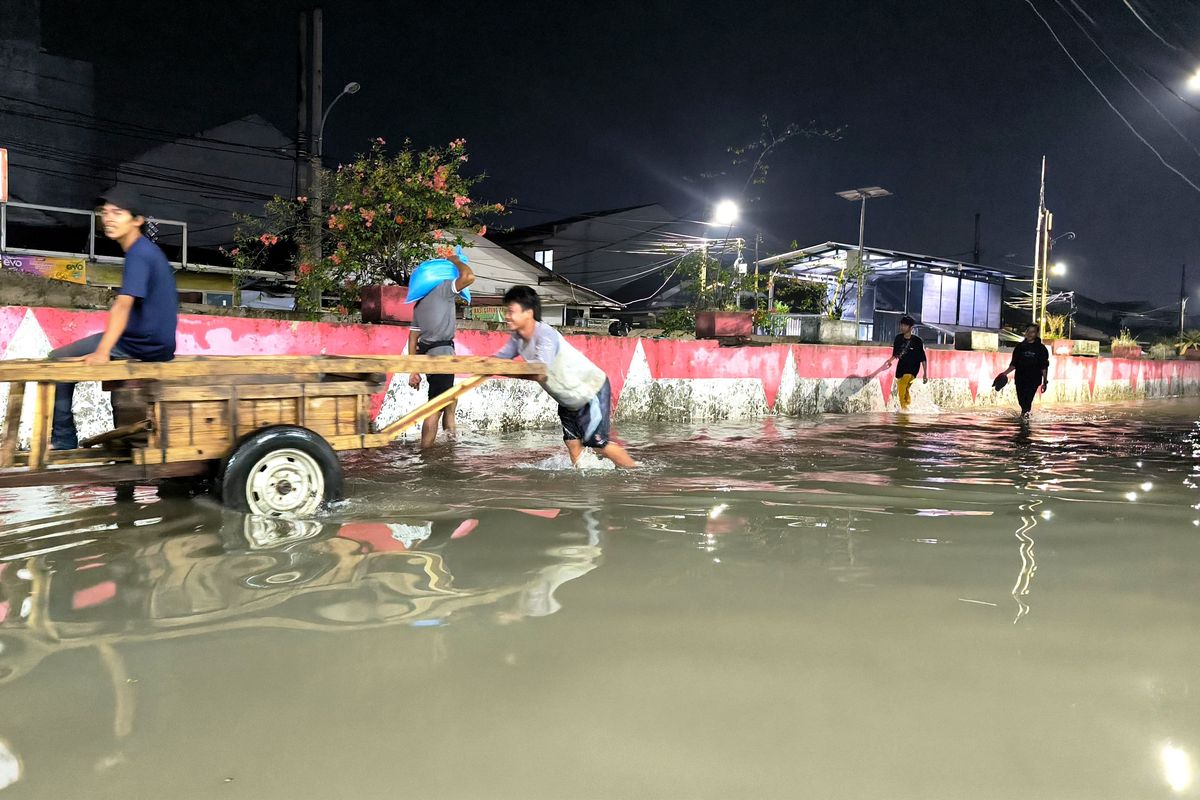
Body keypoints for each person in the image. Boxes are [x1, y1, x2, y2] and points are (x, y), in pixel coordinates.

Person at [49, 186, 177, 450]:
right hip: (154, 342)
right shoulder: (145, 251)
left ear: (137, 220)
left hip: (141, 343)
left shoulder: (140, 253)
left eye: (117, 213)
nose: (108, 218)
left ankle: (62, 441)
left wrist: (103, 351)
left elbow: (122, 304)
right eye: (104, 213)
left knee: (57, 359)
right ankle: (114, 441)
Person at [493, 285, 636, 468]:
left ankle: (636, 475)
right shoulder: (517, 337)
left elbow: (539, 370)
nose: (507, 316)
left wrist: (502, 370)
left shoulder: (545, 334)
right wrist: (479, 365)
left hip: (590, 391)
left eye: (511, 311)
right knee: (572, 442)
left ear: (528, 313)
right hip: (568, 398)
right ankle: (583, 484)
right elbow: (498, 359)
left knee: (598, 444)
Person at [407, 253, 475, 448]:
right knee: (435, 405)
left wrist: (414, 370)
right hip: (442, 356)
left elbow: (413, 338)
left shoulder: (419, 304)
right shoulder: (443, 288)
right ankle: (426, 452)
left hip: (429, 356)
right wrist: (455, 261)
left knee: (451, 400)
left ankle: (450, 444)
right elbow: (469, 277)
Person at [1000, 324, 1050, 416]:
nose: (1030, 334)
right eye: (1028, 331)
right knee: (1021, 400)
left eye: (1033, 332)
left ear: (1036, 333)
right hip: (1020, 378)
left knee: (1028, 400)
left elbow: (1044, 366)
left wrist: (1045, 381)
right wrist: (1004, 374)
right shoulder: (1020, 347)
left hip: (1034, 379)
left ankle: (1025, 420)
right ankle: (1025, 417)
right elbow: (1014, 364)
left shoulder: (1041, 349)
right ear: (1026, 332)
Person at [881, 315, 927, 410]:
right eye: (901, 325)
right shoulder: (898, 338)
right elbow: (896, 353)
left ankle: (904, 409)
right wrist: (890, 361)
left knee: (902, 384)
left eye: (905, 325)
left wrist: (925, 374)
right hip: (901, 367)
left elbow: (923, 358)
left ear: (911, 327)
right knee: (903, 387)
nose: (902, 327)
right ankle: (907, 403)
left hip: (913, 368)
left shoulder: (917, 341)